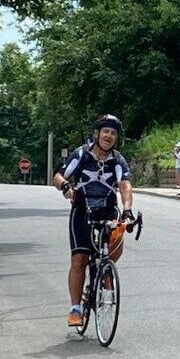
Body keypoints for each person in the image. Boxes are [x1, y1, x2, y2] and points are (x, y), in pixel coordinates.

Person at [53, 114, 134, 328]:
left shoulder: (117, 159)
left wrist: (127, 209)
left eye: (113, 133)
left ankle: (105, 270)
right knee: (79, 259)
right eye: (106, 131)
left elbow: (124, 184)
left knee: (116, 241)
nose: (109, 136)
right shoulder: (82, 154)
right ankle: (75, 309)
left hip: (107, 210)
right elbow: (59, 176)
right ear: (97, 134)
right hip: (82, 211)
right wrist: (66, 187)